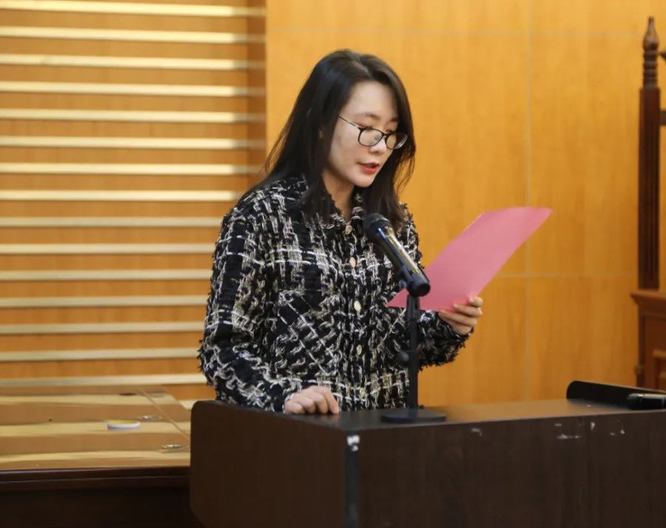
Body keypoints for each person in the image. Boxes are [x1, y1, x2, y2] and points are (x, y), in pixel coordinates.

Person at [198, 50, 484, 415]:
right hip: (298, 437)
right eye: (367, 129)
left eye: (390, 133)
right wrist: (281, 396)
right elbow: (222, 350)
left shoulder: (392, 224)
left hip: (381, 436)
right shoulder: (261, 216)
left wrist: (446, 324)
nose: (380, 147)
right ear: (320, 122)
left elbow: (398, 344)